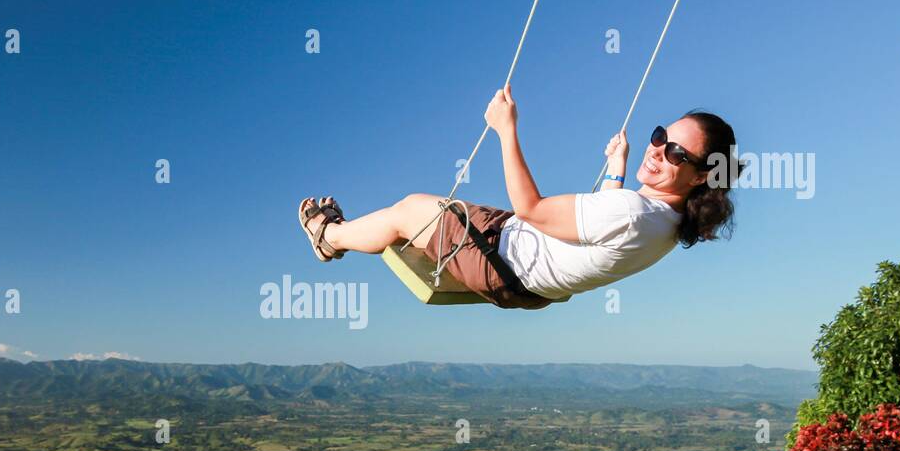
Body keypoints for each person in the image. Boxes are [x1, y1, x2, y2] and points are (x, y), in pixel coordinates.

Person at [299, 84, 738, 309]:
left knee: (409, 211)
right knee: (423, 218)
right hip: (528, 281)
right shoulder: (668, 224)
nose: (658, 149)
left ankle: (328, 237)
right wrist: (617, 168)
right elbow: (603, 226)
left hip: (503, 259)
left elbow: (533, 209)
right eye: (660, 136)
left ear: (701, 176)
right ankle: (350, 235)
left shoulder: (636, 212)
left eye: (676, 152)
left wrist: (506, 129)